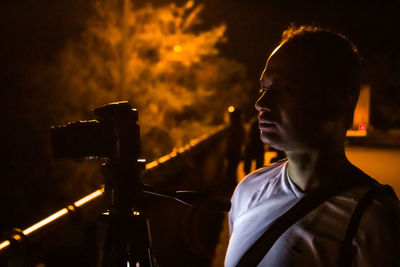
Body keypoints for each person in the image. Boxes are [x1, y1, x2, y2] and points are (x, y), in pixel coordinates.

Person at [225, 26, 400, 266]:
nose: (261, 103)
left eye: (287, 90)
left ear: (338, 104)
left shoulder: (373, 219)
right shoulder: (247, 191)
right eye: (264, 88)